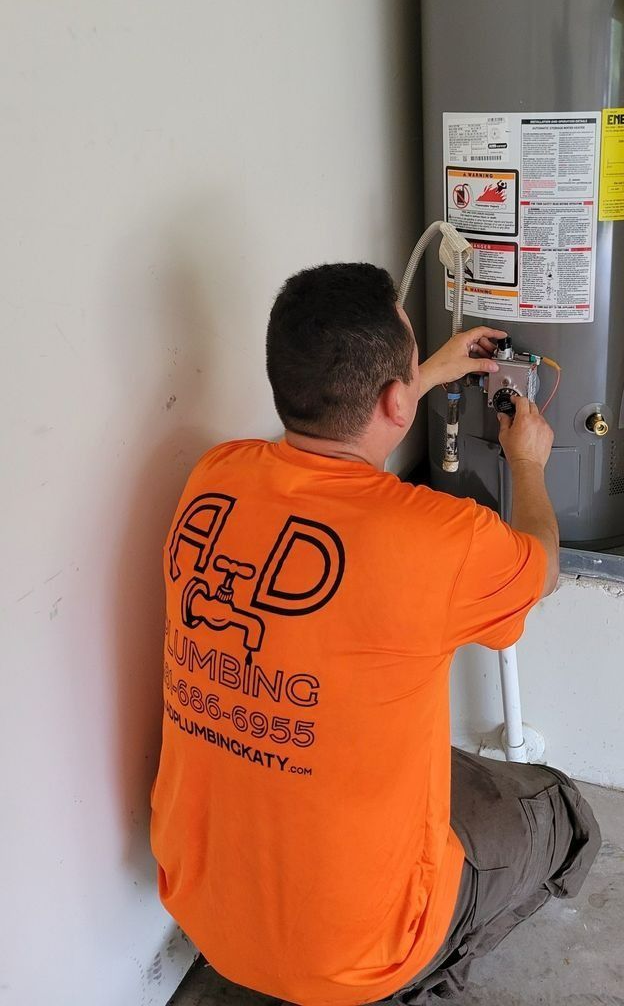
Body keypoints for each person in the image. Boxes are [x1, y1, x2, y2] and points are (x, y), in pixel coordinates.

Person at [151, 263, 601, 1006]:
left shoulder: (213, 478)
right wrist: (528, 466)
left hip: (205, 915)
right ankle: (417, 978)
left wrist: (421, 374)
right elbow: (542, 567)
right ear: (394, 402)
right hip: (365, 948)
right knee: (559, 811)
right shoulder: (437, 539)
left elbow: (326, 439)